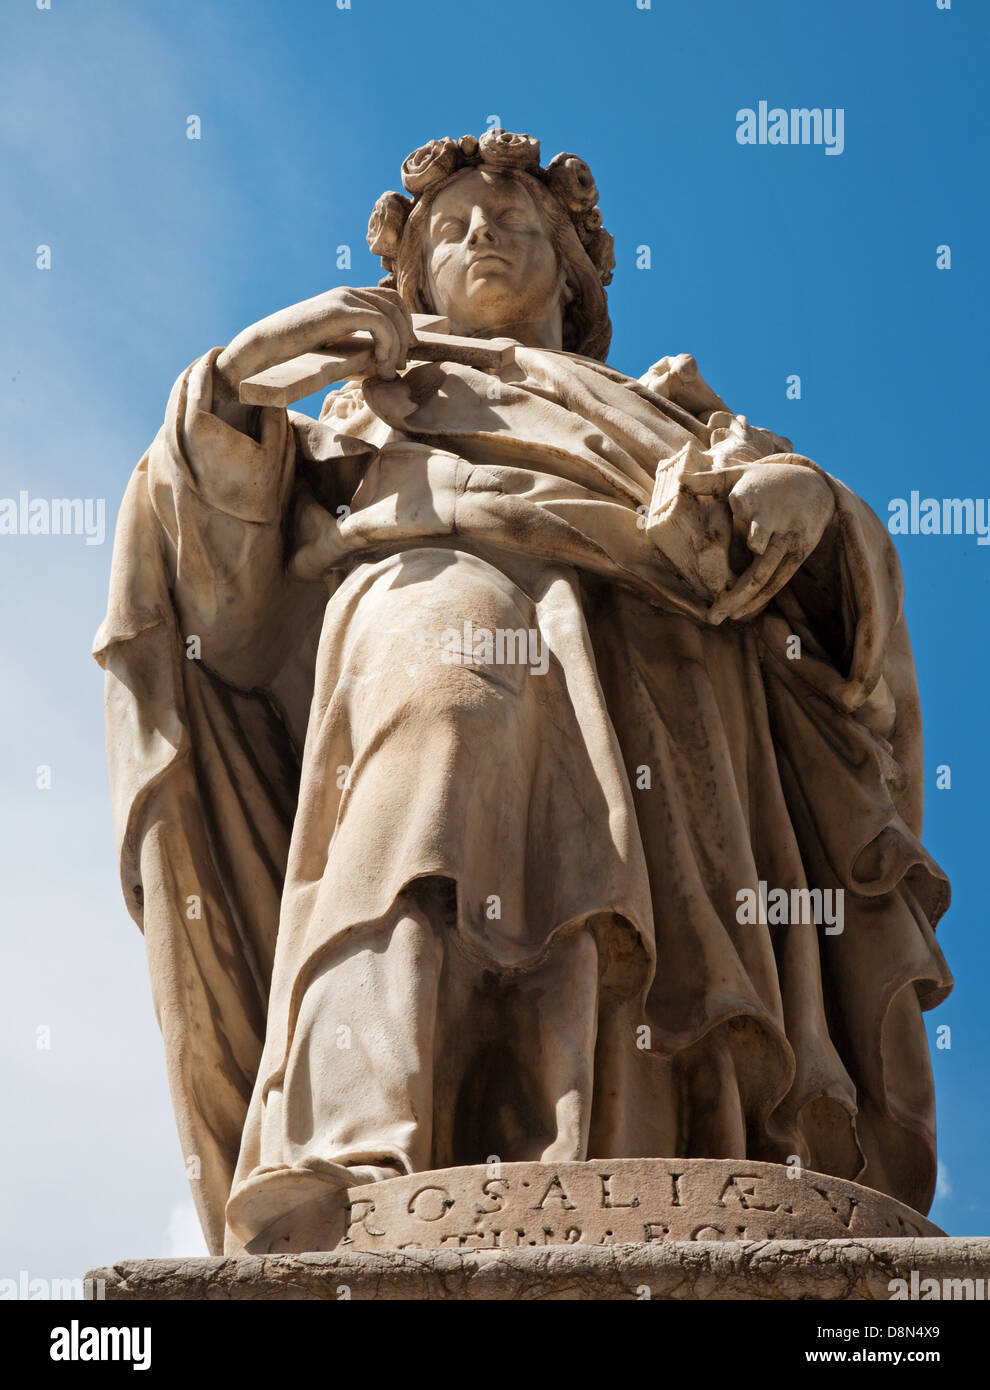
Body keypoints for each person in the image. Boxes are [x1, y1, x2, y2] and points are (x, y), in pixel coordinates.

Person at [95, 130, 952, 1256]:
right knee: (440, 726)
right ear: (410, 278)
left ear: (576, 270)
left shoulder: (668, 411)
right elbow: (226, 629)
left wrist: (813, 509)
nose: (480, 234)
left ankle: (659, 1142)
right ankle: (365, 1139)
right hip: (421, 585)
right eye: (449, 228)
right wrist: (238, 378)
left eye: (511, 221)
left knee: (654, 841)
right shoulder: (354, 417)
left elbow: (838, 603)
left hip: (667, 658)